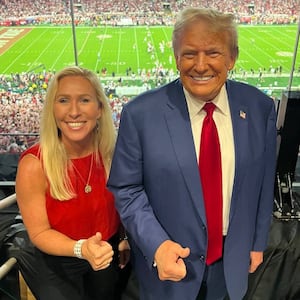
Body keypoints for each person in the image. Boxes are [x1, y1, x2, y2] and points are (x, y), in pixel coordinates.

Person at [107, 7, 277, 300]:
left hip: (231, 263)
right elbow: (126, 188)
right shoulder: (141, 114)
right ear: (175, 59)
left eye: (213, 52)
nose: (200, 65)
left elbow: (263, 181)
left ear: (231, 58)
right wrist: (157, 244)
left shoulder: (259, 107)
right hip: (170, 265)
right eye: (189, 53)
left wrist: (257, 242)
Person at [15, 66, 130, 300]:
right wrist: (81, 249)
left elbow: (127, 204)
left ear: (99, 108)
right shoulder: (33, 164)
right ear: (52, 109)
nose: (74, 111)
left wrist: (125, 238)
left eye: (85, 100)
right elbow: (39, 232)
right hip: (57, 264)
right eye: (64, 100)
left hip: (105, 255)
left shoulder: (114, 153)